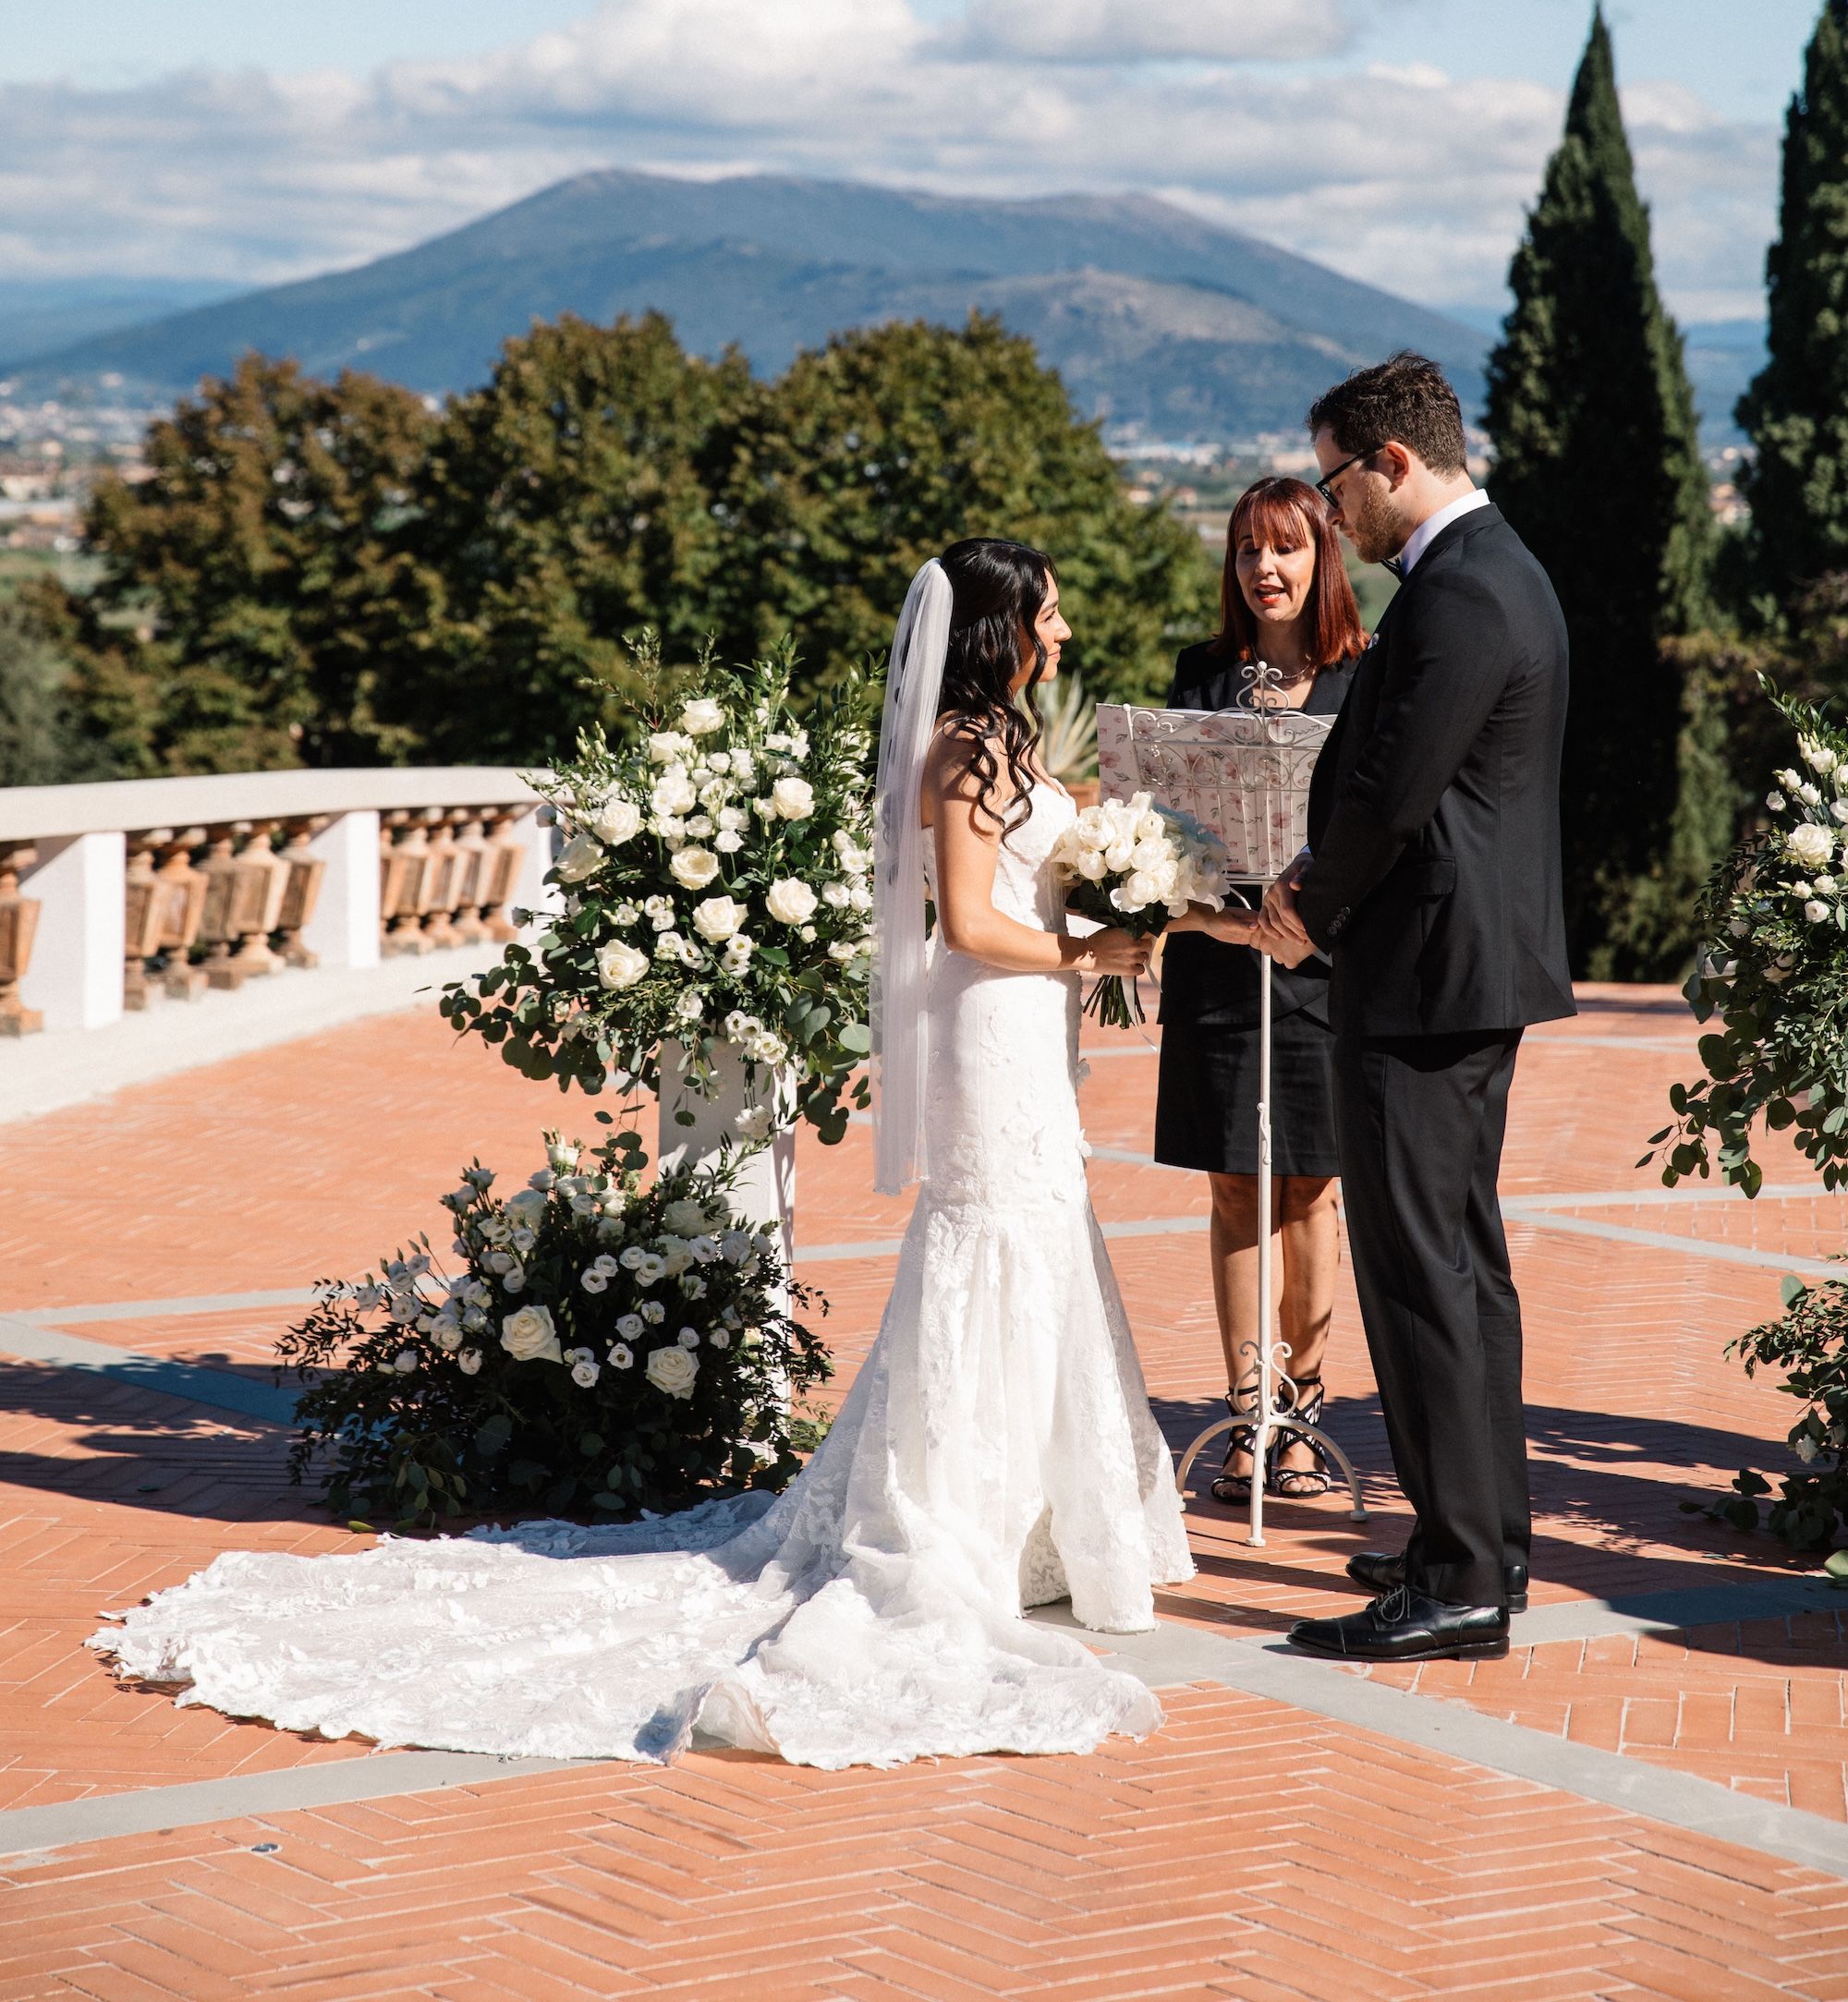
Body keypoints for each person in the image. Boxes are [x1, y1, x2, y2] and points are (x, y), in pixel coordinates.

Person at [97, 538, 1192, 1767]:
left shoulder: (1016, 745)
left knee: (1043, 1237)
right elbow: (974, 917)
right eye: (1046, 615)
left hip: (1025, 1029)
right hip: (988, 1022)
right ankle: (959, 1523)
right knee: (992, 1240)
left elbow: (1036, 883)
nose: (1062, 632)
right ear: (998, 629)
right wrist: (1091, 955)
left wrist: (1117, 887)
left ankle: (1037, 1519)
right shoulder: (960, 749)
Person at [1259, 353, 1573, 1666]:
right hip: (1456, 968)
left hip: (1427, 973)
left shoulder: (1460, 591)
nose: (1332, 518)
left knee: (1420, 1273)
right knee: (1460, 1264)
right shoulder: (1491, 570)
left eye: (1334, 486)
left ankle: (1458, 1577)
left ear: (1391, 463)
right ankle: (1481, 1532)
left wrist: (1301, 907)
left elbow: (1394, 791)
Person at [1156, 478, 1365, 1500]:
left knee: (1309, 1187)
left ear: (1323, 558)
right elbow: (1164, 817)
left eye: (1282, 549)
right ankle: (1247, 1412)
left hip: (1324, 968)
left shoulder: (1364, 680)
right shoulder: (1200, 674)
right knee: (1234, 1183)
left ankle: (1307, 1409)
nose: (1262, 569)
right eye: (1244, 550)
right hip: (1216, 964)